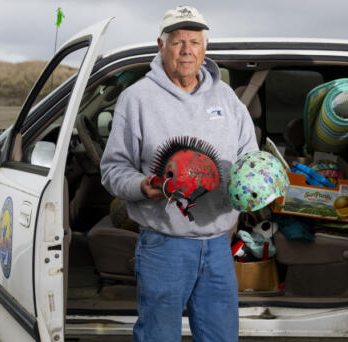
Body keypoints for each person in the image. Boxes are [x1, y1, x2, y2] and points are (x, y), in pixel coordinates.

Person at [100, 5, 258, 342]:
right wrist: (143, 186)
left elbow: (249, 158)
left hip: (218, 244)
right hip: (164, 246)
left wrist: (258, 183)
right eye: (177, 42)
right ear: (161, 45)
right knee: (158, 337)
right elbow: (112, 169)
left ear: (205, 48)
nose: (186, 50)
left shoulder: (227, 99)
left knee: (222, 337)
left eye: (194, 41)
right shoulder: (136, 100)